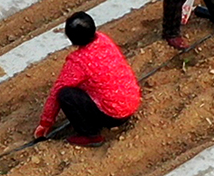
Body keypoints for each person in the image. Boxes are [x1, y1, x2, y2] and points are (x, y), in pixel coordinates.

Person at [37, 11, 143, 143]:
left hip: (113, 115)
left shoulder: (78, 61)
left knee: (65, 95)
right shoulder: (104, 40)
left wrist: (46, 122)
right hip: (131, 102)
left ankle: (91, 135)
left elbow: (57, 90)